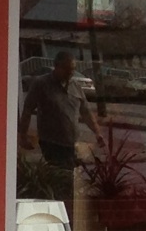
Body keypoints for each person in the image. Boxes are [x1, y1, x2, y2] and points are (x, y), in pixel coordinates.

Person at [19, 51, 103, 184]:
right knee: (61, 177)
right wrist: (23, 136)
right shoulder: (41, 84)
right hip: (51, 142)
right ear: (57, 66)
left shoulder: (76, 86)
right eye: (67, 69)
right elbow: (27, 110)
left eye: (73, 69)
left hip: (72, 143)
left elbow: (86, 112)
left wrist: (97, 133)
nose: (71, 73)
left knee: (70, 178)